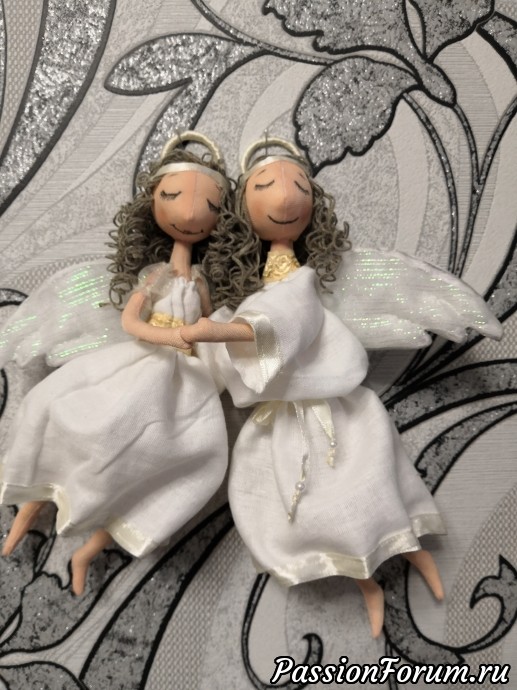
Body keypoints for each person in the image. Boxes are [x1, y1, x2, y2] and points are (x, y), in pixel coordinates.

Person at [178, 136, 500, 637]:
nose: (286, 196)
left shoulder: (304, 283)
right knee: (316, 509)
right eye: (265, 186)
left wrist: (219, 331)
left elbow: (288, 318)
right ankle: (367, 582)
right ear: (243, 212)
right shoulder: (253, 289)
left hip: (338, 410)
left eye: (298, 185)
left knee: (370, 484)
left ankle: (412, 553)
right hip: (281, 421)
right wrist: (211, 330)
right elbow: (245, 339)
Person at [0, 132, 232, 595]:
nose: (191, 213)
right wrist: (169, 336)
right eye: (173, 197)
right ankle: (28, 510)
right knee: (79, 419)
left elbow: (207, 324)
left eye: (208, 204)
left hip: (185, 383)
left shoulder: (201, 282)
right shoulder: (155, 276)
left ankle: (88, 551)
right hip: (142, 361)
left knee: (162, 462)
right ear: (153, 204)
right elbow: (130, 322)